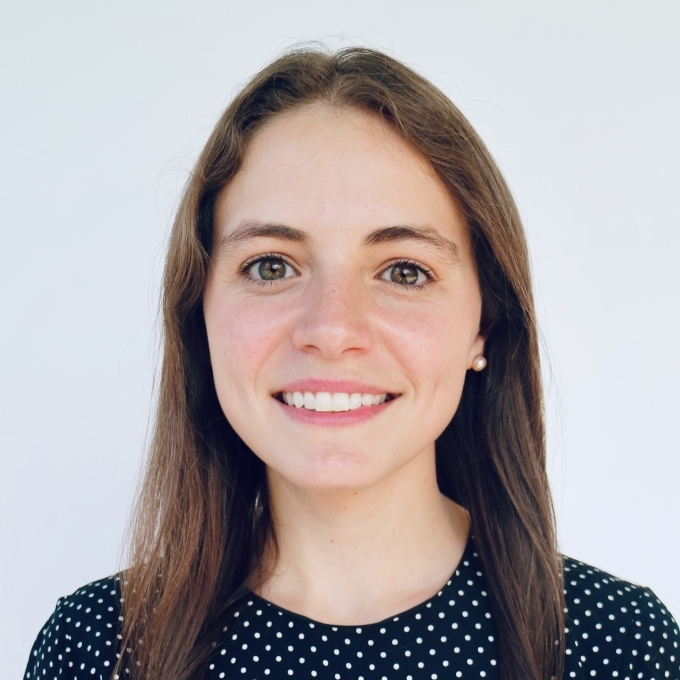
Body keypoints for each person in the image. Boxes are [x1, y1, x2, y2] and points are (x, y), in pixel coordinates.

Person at [24, 46, 678, 680]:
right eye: (272, 266)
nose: (332, 330)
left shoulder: (618, 647)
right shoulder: (97, 651)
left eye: (403, 271)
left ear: (486, 325)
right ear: (200, 316)